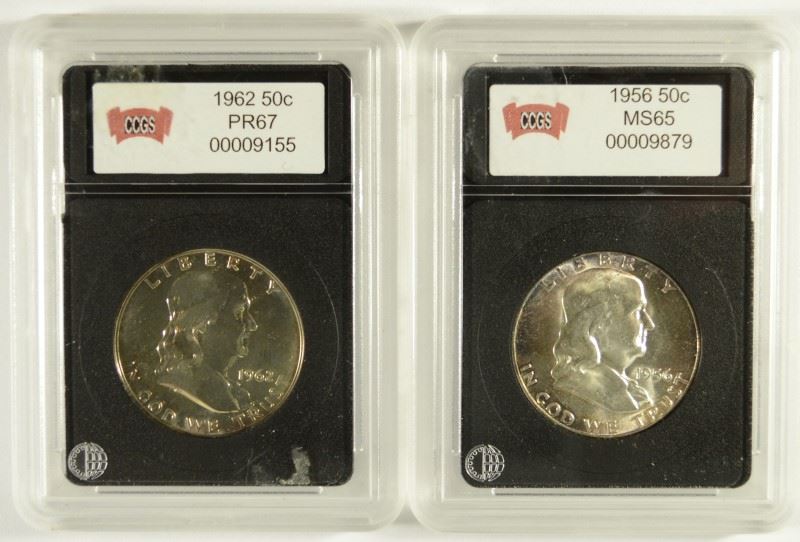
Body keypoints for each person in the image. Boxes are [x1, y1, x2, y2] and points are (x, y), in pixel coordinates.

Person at [154, 269, 258, 413]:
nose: (253, 325)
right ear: (200, 326)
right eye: (239, 313)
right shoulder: (189, 387)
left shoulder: (230, 391)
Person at [552, 268, 655, 412]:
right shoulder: (582, 387)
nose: (650, 324)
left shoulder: (631, 390)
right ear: (599, 323)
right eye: (638, 311)